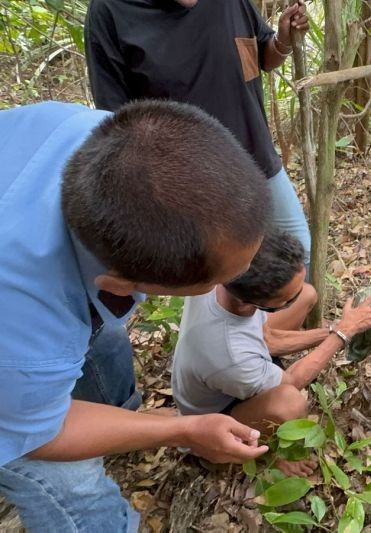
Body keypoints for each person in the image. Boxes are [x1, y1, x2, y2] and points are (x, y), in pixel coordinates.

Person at [0, 100, 276, 532]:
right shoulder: (25, 342)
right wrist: (181, 431)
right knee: (73, 490)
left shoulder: (115, 142)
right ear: (121, 286)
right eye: (228, 277)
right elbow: (44, 435)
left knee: (105, 346)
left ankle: (122, 425)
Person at [83, 0, 313, 267]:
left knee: (299, 254)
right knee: (219, 278)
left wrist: (283, 39)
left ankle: (283, 310)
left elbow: (262, 56)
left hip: (255, 157)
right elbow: (114, 118)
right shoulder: (110, 10)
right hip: (189, 187)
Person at [172, 232, 371, 474]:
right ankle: (249, 453)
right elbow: (291, 382)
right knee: (289, 403)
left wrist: (338, 328)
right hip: (215, 415)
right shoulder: (231, 355)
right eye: (286, 301)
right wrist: (342, 335)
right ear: (250, 304)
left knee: (308, 295)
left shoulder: (226, 273)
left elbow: (268, 338)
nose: (294, 300)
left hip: (226, 371)